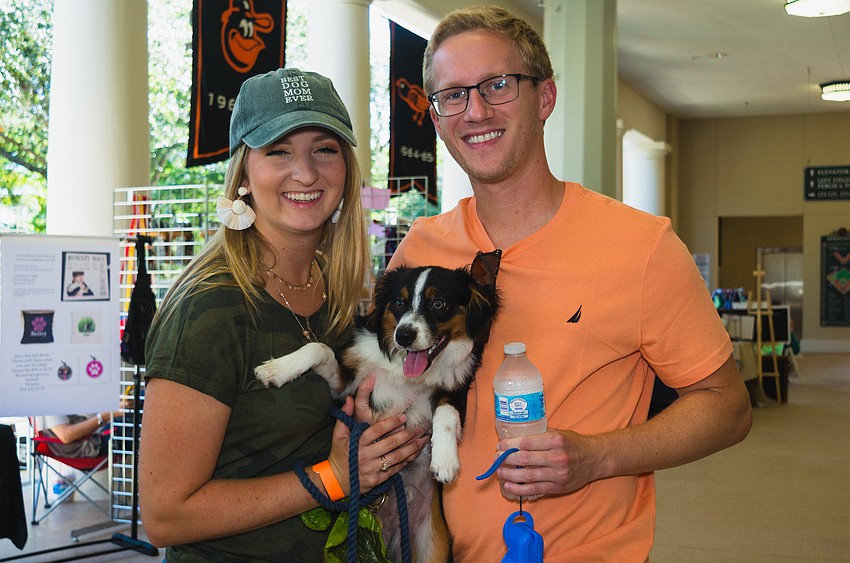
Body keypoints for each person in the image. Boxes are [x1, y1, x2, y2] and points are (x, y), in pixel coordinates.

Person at [387, 6, 753, 561]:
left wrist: (596, 457)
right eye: (453, 95)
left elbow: (727, 407)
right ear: (436, 118)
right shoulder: (420, 251)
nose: (476, 110)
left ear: (545, 98)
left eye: (498, 84)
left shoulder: (641, 246)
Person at [139, 68, 427, 561]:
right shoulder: (211, 306)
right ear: (244, 173)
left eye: (324, 148)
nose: (306, 172)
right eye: (278, 151)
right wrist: (333, 477)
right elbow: (165, 515)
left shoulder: (338, 297)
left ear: (346, 168)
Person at [42, 410, 121, 458]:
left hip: (95, 438)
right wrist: (103, 417)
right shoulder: (45, 406)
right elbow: (66, 436)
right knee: (126, 422)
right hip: (92, 447)